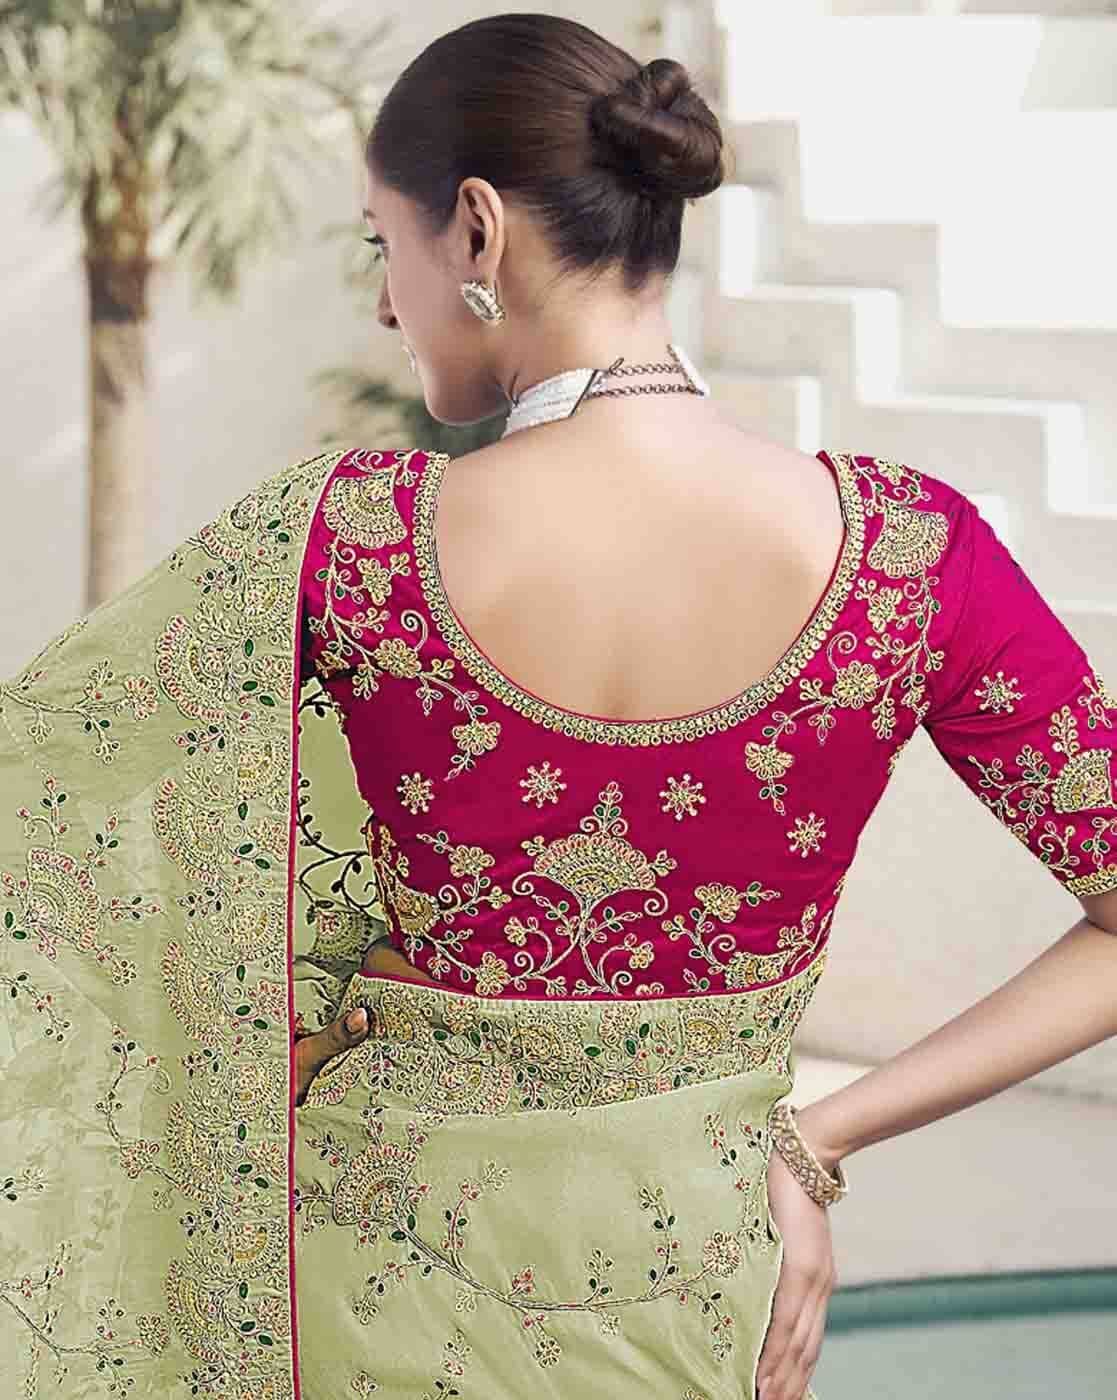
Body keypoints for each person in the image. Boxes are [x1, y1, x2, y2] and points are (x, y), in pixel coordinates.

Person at [3, 14, 1116, 1400]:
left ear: (475, 231)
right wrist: (813, 1138)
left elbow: (41, 810)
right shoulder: (910, 555)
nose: (383, 305)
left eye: (381, 246)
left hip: (364, 1285)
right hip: (692, 1294)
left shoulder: (347, 541)